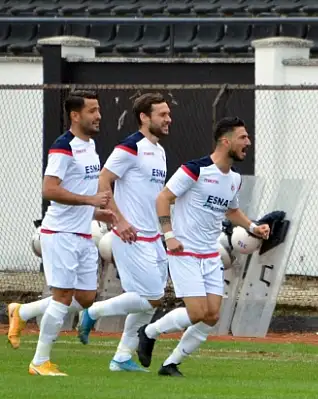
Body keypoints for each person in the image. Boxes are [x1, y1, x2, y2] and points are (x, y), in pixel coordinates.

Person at [135, 117, 270, 377]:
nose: (248, 143)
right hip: (183, 251)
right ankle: (149, 332)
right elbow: (164, 197)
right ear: (225, 141)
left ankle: (170, 364)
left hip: (210, 254)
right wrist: (169, 235)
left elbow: (231, 210)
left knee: (211, 316)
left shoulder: (234, 179)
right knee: (197, 312)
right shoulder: (194, 169)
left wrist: (253, 227)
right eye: (243, 137)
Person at [19, 91, 115, 376]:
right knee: (62, 297)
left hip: (83, 232)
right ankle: (39, 362)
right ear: (75, 116)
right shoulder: (64, 147)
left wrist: (96, 212)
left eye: (98, 110)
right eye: (92, 111)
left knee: (85, 298)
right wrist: (90, 202)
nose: (98, 116)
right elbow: (49, 189)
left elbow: (81, 190)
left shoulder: (90, 145)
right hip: (60, 233)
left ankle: (21, 312)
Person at [74, 93, 171, 372]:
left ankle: (121, 358)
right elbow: (103, 180)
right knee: (151, 296)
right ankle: (93, 312)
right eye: (162, 115)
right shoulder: (130, 147)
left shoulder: (159, 151)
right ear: (144, 117)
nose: (168, 119)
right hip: (130, 235)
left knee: (149, 303)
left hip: (153, 236)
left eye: (168, 114)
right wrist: (119, 220)